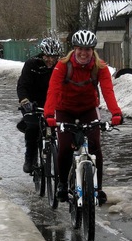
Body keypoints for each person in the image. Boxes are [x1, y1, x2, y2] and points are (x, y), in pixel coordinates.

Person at [44, 30, 123, 205]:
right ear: (74, 49)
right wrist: (49, 114)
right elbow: (53, 90)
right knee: (65, 147)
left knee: (95, 145)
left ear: (92, 50)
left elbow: (108, 91)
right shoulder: (62, 66)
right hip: (65, 110)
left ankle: (98, 189)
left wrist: (116, 113)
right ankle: (63, 184)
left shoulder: (99, 67)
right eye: (80, 49)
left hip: (88, 110)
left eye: (88, 49)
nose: (83, 53)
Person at [17, 37, 63, 173]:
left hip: (53, 103)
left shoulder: (61, 67)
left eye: (53, 57)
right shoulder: (32, 65)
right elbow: (22, 85)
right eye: (47, 56)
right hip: (33, 103)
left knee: (63, 129)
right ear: (42, 54)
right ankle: (30, 158)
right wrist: (25, 101)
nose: (50, 60)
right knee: (33, 128)